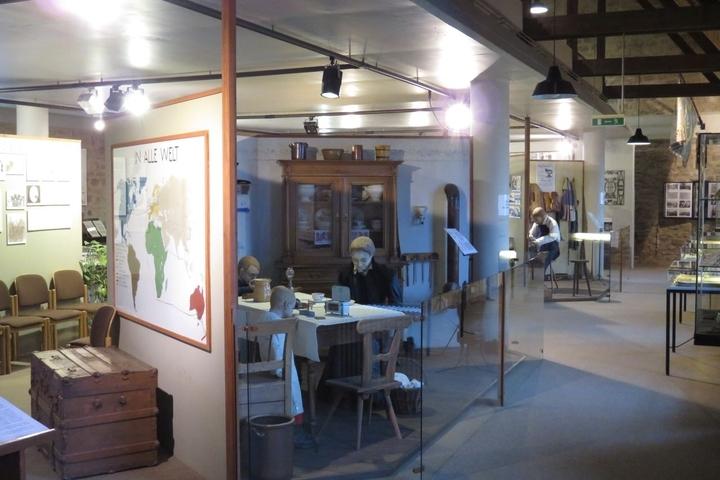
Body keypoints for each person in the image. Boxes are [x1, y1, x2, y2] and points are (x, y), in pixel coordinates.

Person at [264, 286, 314, 449]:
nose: (292, 311)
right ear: (285, 304)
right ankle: (295, 430)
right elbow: (276, 351)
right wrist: (281, 370)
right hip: (280, 370)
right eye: (291, 307)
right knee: (294, 388)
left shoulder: (265, 317)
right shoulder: (279, 325)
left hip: (267, 367)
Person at [337, 236, 400, 305]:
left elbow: (395, 304)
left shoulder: (386, 274)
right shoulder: (344, 274)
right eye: (355, 260)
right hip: (353, 311)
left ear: (371, 255)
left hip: (377, 311)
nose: (359, 264)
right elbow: (340, 302)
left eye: (363, 260)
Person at [528, 207, 561, 273]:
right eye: (534, 220)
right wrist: (531, 237)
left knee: (542, 264)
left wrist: (537, 241)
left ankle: (539, 277)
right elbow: (532, 233)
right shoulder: (537, 223)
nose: (535, 221)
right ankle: (532, 275)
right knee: (531, 259)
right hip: (541, 248)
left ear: (542, 217)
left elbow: (552, 237)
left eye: (536, 219)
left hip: (552, 248)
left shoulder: (552, 223)